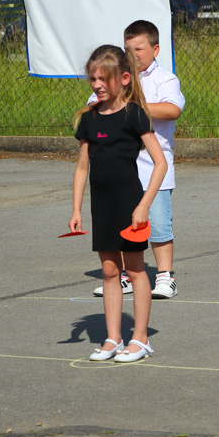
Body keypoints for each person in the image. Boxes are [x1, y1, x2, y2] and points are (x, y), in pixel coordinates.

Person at [70, 45, 167, 362]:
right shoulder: (89, 119)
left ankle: (140, 339)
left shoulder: (135, 114)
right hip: (102, 206)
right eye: (92, 78)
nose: (96, 84)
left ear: (124, 79)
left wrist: (143, 205)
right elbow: (82, 167)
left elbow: (160, 164)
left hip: (129, 205)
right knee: (110, 272)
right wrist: (76, 209)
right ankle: (113, 338)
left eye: (103, 78)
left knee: (137, 271)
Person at [91, 21, 185, 299]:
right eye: (127, 49)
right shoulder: (116, 77)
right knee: (123, 224)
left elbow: (172, 109)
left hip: (153, 169)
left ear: (155, 49)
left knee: (157, 223)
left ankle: (165, 276)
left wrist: (131, 107)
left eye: (139, 49)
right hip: (121, 171)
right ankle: (127, 275)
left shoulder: (165, 80)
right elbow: (95, 105)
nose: (132, 54)